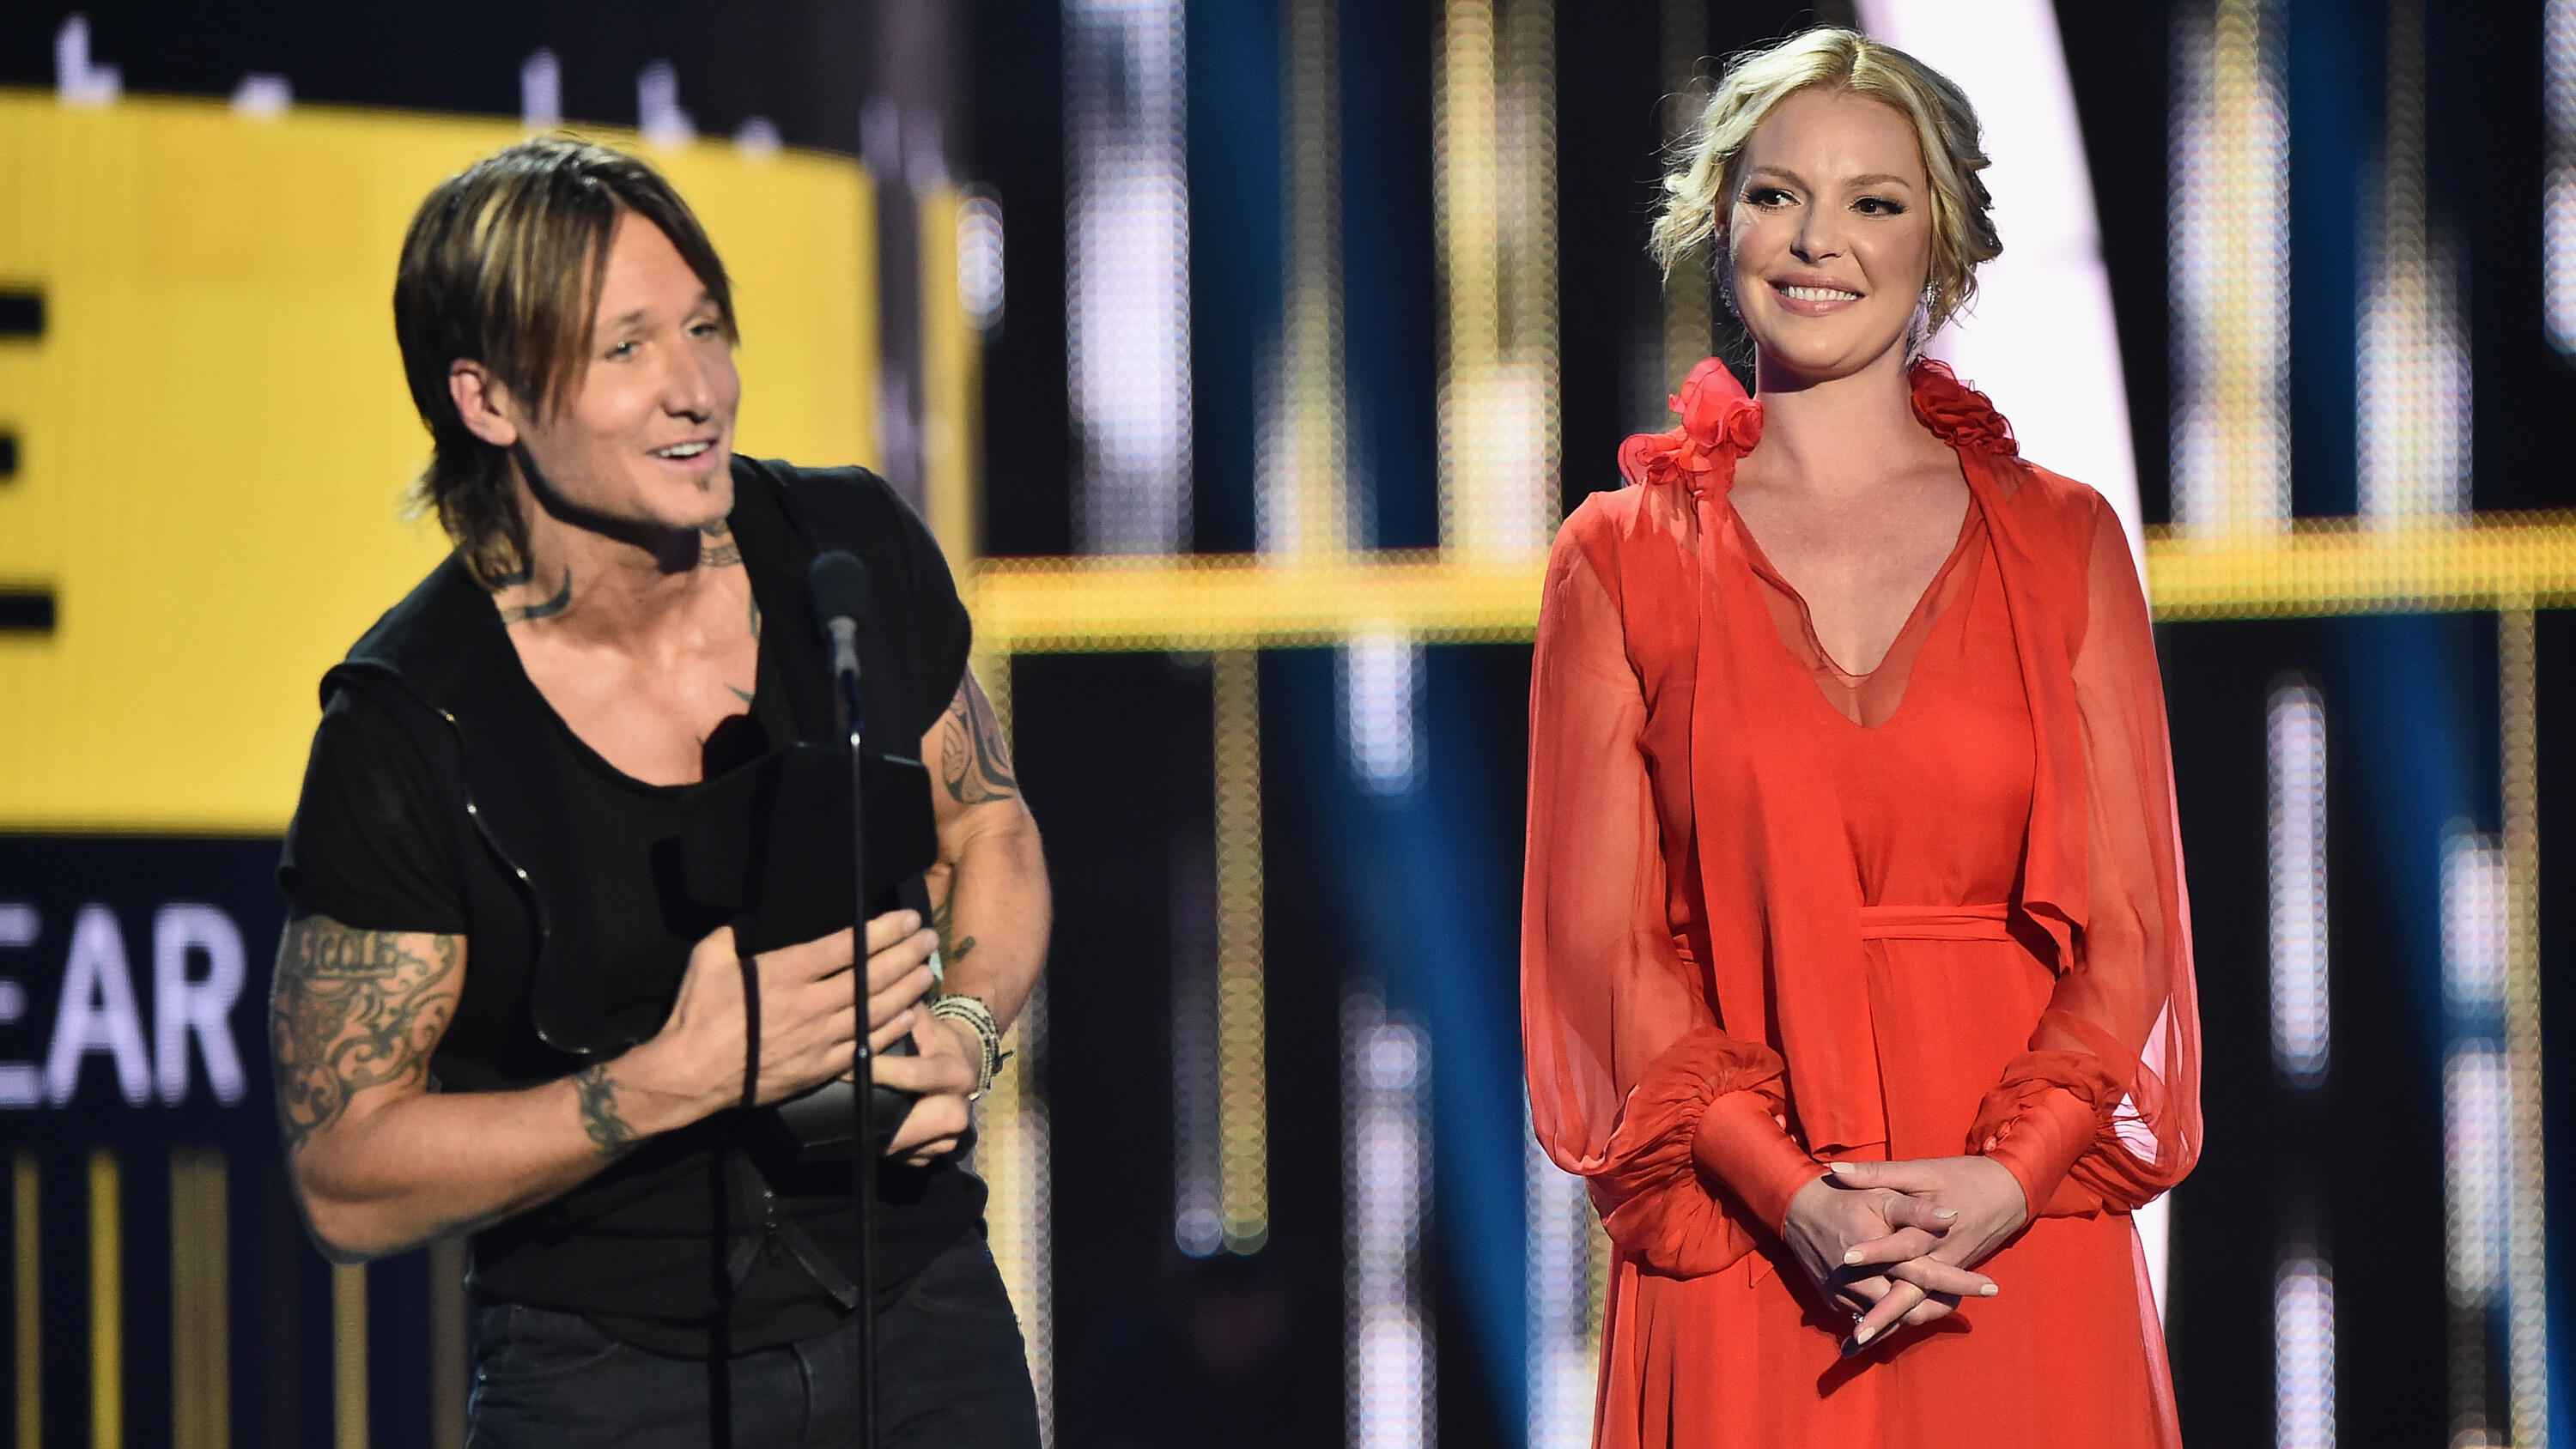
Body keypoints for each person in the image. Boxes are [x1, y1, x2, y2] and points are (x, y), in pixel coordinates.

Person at [270, 136, 1048, 1447]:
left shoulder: (842, 556)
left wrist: (966, 1031)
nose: (697, 389)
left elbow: (990, 823)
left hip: (924, 1328)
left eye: (703, 327)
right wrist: (663, 1084)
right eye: (626, 348)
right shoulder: (414, 725)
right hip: (607, 1378)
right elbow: (346, 1175)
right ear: (489, 399)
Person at [1521, 28, 2198, 1448]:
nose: (1818, 238)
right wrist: (1793, 1192)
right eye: (1779, 195)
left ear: (1942, 237)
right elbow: (1606, 949)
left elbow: (2129, 931)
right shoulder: (1622, 554)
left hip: (2015, 1241)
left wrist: (2006, 1183)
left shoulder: (2063, 540)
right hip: (1751, 1240)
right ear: (1723, 219)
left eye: (1874, 201)